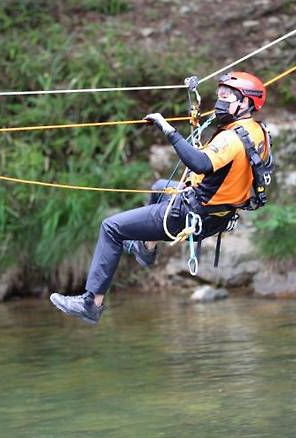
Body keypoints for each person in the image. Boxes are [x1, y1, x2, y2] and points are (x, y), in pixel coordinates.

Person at [50, 71, 270, 324]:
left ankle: (91, 303)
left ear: (245, 103)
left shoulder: (231, 138)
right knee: (159, 186)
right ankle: (147, 248)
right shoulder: (256, 131)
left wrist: (167, 129)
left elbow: (200, 163)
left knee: (110, 228)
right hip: (218, 213)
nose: (218, 102)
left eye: (225, 97)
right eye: (218, 96)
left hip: (191, 212)